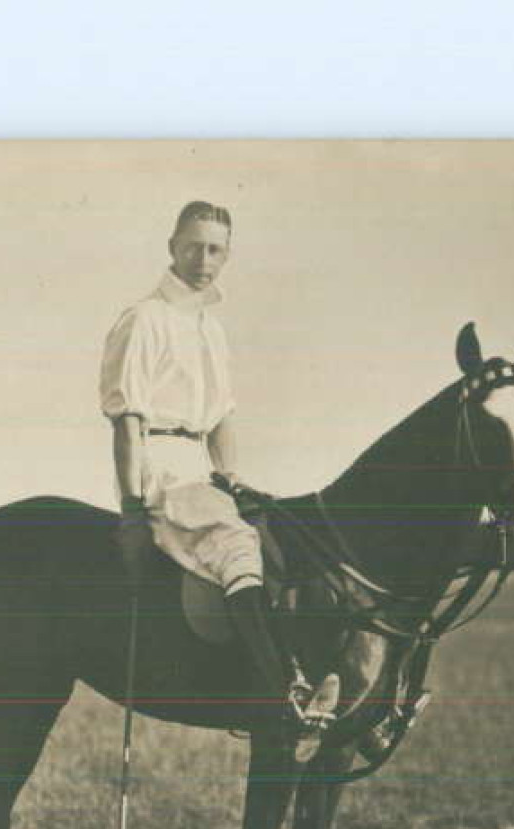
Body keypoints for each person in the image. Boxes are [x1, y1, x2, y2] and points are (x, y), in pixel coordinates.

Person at [99, 201, 333, 740]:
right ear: (172, 246)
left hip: (203, 471)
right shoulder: (144, 319)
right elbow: (126, 419)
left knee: (273, 529)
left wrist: (233, 479)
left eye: (216, 249)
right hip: (158, 466)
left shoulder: (211, 328)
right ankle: (285, 691)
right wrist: (133, 509)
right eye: (194, 246)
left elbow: (222, 417)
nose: (204, 258)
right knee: (236, 545)